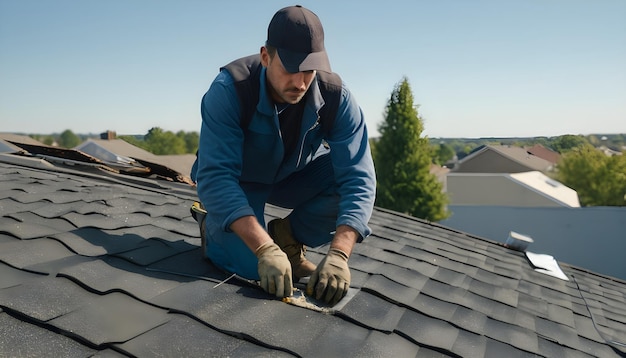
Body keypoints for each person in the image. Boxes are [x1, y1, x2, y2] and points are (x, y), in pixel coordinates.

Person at [191, 5, 375, 306]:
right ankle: (213, 228)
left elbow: (359, 178)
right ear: (266, 57)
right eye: (290, 67)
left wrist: (340, 254)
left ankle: (287, 237)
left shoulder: (335, 96)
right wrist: (264, 249)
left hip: (290, 179)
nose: (301, 82)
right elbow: (216, 177)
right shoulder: (230, 90)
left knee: (347, 178)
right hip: (239, 183)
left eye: (309, 70)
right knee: (260, 271)